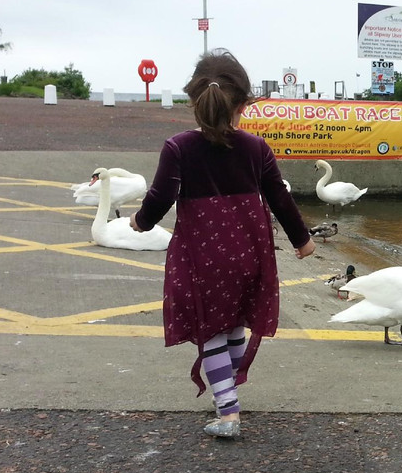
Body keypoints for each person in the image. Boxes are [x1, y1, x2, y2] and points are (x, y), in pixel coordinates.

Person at [131, 50, 315, 438]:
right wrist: (302, 240)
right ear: (244, 104)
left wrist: (140, 221)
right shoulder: (256, 148)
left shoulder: (179, 147)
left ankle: (228, 411)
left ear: (194, 100)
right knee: (234, 325)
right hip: (250, 253)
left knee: (210, 330)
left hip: (202, 256)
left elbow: (160, 196)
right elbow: (280, 199)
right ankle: (225, 390)